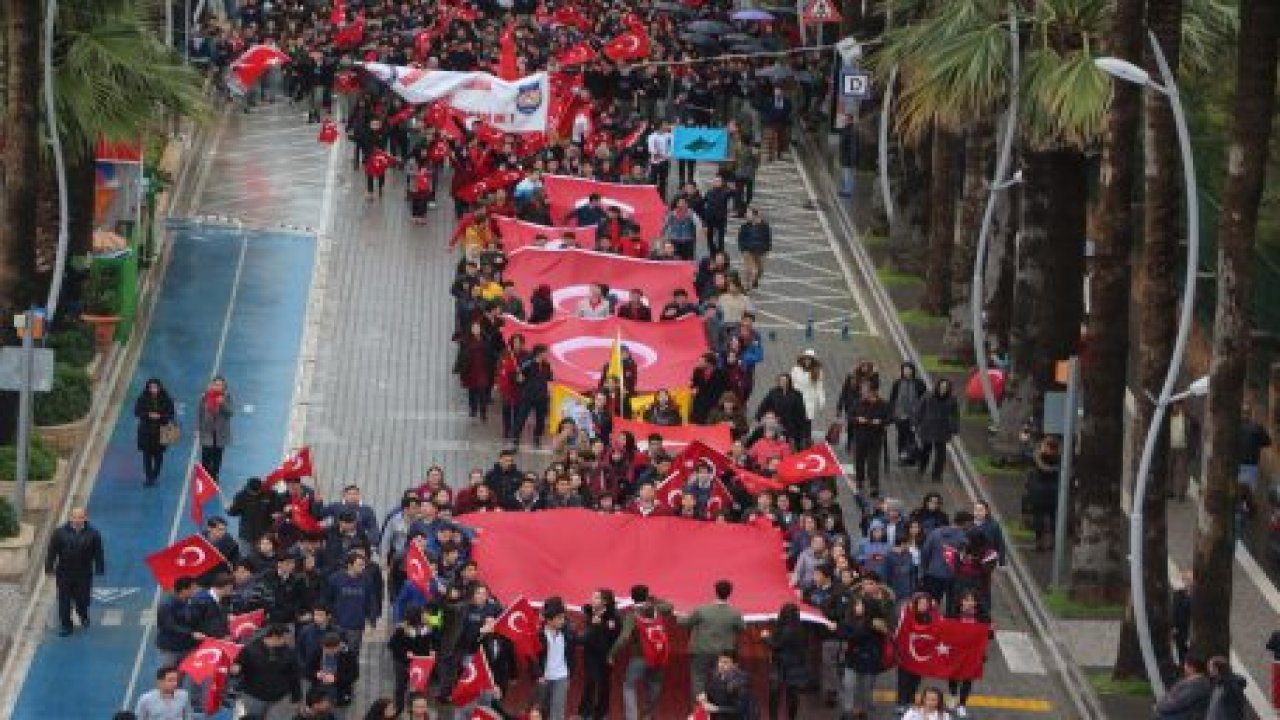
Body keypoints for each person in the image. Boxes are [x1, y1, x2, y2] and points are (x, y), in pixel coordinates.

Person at [610, 585, 675, 720]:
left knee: (629, 686)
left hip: (639, 656)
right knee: (654, 685)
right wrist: (654, 599)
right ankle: (648, 715)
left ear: (632, 597)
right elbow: (670, 606)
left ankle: (632, 717)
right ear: (647, 596)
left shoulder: (632, 615)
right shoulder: (657, 609)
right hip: (659, 654)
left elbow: (624, 637)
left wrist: (612, 653)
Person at [680, 579, 746, 698]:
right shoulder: (735, 613)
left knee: (698, 677)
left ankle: (699, 706)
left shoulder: (702, 610)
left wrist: (677, 616)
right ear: (730, 593)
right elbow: (742, 627)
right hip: (723, 652)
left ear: (715, 591)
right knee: (720, 679)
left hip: (701, 650)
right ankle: (717, 703)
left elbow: (686, 622)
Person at [45, 506, 105, 636]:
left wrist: (99, 568)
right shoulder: (59, 533)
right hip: (64, 573)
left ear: (85, 518)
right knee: (64, 600)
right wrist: (49, 567)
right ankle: (66, 625)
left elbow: (98, 552)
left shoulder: (94, 534)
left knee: (82, 599)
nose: (77, 520)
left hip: (84, 573)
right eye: (74, 517)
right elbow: (52, 551)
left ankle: (83, 615)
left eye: (80, 517)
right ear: (70, 517)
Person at [233, 624, 302, 718]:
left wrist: (296, 697)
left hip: (279, 698)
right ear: (274, 636)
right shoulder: (250, 650)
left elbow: (293, 675)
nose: (287, 641)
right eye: (284, 638)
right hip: (255, 697)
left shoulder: (289, 652)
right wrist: (236, 670)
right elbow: (238, 667)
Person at [836, 597, 889, 720]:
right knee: (849, 685)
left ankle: (861, 711)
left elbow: (856, 635)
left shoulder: (876, 624)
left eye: (859, 605)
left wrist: (838, 629)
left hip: (868, 661)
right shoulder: (854, 620)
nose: (856, 607)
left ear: (867, 607)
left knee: (864, 689)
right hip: (853, 659)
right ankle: (848, 711)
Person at [761, 603, 809, 720]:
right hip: (796, 665)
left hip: (781, 665)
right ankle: (791, 717)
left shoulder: (786, 629)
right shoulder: (801, 628)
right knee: (792, 695)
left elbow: (776, 645)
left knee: (774, 694)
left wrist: (765, 637)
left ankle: (773, 717)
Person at [578, 589, 620, 720]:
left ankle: (601, 713)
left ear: (604, 601)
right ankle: (585, 712)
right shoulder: (590, 612)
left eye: (596, 597)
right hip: (591, 654)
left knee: (604, 684)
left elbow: (615, 638)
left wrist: (611, 654)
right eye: (593, 597)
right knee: (590, 681)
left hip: (605, 655)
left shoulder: (613, 616)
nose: (592, 599)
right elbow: (588, 633)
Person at [156, 576, 208, 669]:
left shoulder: (190, 601)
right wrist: (191, 633)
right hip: (172, 647)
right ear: (184, 590)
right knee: (170, 672)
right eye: (193, 588)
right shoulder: (166, 606)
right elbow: (171, 626)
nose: (195, 591)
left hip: (187, 645)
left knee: (188, 671)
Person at [536, 605, 577, 720]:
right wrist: (538, 674)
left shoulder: (567, 633)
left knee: (558, 711)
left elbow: (574, 650)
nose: (562, 621)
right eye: (559, 618)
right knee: (541, 710)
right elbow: (532, 656)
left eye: (563, 618)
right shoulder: (539, 635)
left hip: (562, 676)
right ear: (549, 620)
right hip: (544, 678)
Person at [914, 379, 959, 482]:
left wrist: (954, 429)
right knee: (926, 451)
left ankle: (937, 475)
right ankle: (921, 469)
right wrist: (916, 423)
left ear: (948, 389)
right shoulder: (928, 396)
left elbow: (955, 415)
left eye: (945, 387)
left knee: (941, 454)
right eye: (942, 386)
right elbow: (920, 409)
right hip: (928, 428)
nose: (943, 389)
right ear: (937, 386)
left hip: (943, 429)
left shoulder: (952, 399)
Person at [134, 378, 176, 487]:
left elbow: (171, 414)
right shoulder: (142, 398)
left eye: (155, 387)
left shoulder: (167, 399)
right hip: (146, 431)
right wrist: (148, 415)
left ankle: (155, 475)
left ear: (160, 388)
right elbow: (137, 412)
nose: (153, 389)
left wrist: (160, 416)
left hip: (162, 430)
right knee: (146, 455)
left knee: (159, 455)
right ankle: (149, 477)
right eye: (151, 387)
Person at [1024, 437, 1061, 551]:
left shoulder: (1038, 458)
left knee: (1039, 518)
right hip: (1054, 492)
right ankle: (1053, 542)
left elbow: (1032, 466)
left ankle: (1040, 542)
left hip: (1040, 493)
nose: (1042, 448)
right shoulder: (1059, 459)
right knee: (1053, 518)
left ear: (1048, 447)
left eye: (1044, 446)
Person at [887, 363, 927, 464]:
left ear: (913, 370)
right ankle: (902, 456)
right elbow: (892, 399)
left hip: (914, 416)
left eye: (909, 369)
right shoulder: (897, 383)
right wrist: (891, 414)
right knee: (902, 436)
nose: (907, 372)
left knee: (913, 437)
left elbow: (925, 399)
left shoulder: (919, 383)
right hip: (900, 415)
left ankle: (912, 457)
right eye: (904, 370)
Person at [1155, 652, 1213, 719]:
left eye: (1186, 665)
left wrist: (1159, 706)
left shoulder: (1197, 685)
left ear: (1192, 668)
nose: (1184, 667)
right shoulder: (1193, 682)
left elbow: (1177, 703)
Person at [197, 376, 234, 480]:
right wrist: (198, 428)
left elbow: (230, 412)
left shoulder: (227, 397)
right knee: (206, 456)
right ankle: (205, 477)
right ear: (212, 385)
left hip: (221, 433)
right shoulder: (205, 397)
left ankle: (214, 477)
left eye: (220, 385)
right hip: (207, 431)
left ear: (224, 387)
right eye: (216, 384)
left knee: (217, 458)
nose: (218, 387)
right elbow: (200, 413)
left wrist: (222, 404)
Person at [698, 650, 753, 719]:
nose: (721, 665)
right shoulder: (714, 674)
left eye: (725, 662)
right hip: (717, 716)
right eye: (720, 661)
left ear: (735, 665)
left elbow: (740, 709)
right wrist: (705, 695)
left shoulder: (742, 682)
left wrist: (716, 709)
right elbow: (710, 691)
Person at [788, 350, 826, 446]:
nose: (807, 361)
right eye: (806, 358)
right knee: (795, 424)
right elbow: (791, 384)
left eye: (810, 359)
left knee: (807, 425)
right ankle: (796, 445)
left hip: (809, 402)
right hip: (796, 400)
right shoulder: (796, 369)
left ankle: (807, 445)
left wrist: (821, 401)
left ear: (813, 360)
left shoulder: (817, 372)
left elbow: (819, 388)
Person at [736, 208, 772, 290]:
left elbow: (768, 238)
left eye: (748, 214)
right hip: (748, 250)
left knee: (760, 269)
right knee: (748, 269)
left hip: (761, 251)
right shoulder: (745, 226)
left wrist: (767, 250)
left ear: (755, 215)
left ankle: (755, 280)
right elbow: (740, 238)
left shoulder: (765, 226)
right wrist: (743, 249)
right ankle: (746, 285)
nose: (746, 215)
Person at [1206, 655, 1247, 720]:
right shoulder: (1219, 684)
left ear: (1217, 668)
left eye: (1210, 667)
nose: (1209, 670)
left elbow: (1234, 710)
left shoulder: (1230, 686)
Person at [1172, 569, 1193, 667]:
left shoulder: (1198, 595)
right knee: (1181, 649)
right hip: (1182, 628)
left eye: (1191, 579)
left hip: (1192, 627)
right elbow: (1175, 611)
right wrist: (1174, 626)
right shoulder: (1178, 594)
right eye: (1187, 579)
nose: (1189, 582)